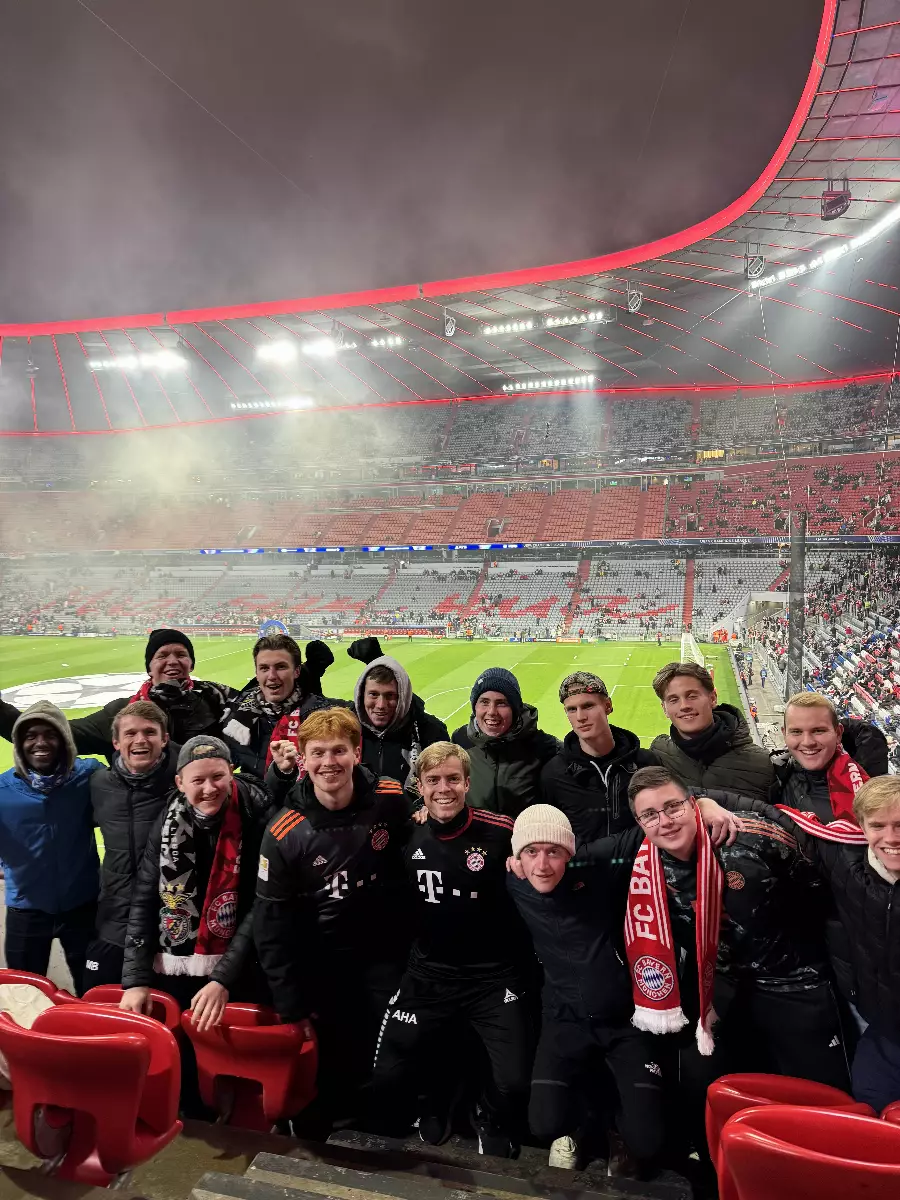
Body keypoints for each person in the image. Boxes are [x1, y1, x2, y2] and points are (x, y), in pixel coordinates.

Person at [609, 766, 849, 1165]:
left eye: (673, 807)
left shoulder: (752, 839)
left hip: (794, 982)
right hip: (722, 985)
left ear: (694, 804)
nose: (664, 821)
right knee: (703, 1085)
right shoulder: (646, 871)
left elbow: (818, 895)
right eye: (649, 815)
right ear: (639, 823)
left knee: (823, 1099)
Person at [371, 743, 534, 1157]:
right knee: (388, 1077)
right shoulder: (407, 832)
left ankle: (488, 1113)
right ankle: (435, 1100)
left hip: (493, 978)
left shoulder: (502, 831)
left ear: (467, 783)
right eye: (433, 780)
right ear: (420, 787)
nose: (443, 789)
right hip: (429, 976)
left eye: (452, 779)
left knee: (514, 1082)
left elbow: (544, 852)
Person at [254, 708, 412, 1134]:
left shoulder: (390, 798)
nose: (329, 762)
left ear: (357, 753)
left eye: (339, 751)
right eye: (318, 753)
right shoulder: (284, 833)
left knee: (386, 1048)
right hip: (321, 963)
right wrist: (289, 1002)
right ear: (302, 760)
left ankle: (384, 1122)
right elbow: (270, 924)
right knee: (332, 1058)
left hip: (383, 956)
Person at [507, 804, 665, 1176]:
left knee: (649, 1143)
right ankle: (579, 1128)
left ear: (569, 852)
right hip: (564, 1017)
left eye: (553, 852)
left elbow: (652, 822)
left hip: (623, 1019)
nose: (542, 865)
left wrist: (703, 804)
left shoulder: (596, 864)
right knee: (544, 1124)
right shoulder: (515, 880)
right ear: (517, 858)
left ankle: (616, 1131)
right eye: (531, 852)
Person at [121, 736, 274, 1026]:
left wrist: (222, 978)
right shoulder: (167, 820)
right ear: (180, 783)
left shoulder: (258, 814)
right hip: (178, 963)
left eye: (217, 777)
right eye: (198, 780)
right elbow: (144, 898)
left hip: (244, 966)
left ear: (231, 773)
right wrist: (135, 980)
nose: (209, 788)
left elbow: (262, 903)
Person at [0, 628, 233, 760]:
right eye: (162, 655)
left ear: (191, 664)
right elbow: (58, 735)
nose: (172, 661)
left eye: (181, 654)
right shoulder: (120, 712)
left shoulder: (216, 702)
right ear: (149, 668)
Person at [0, 702, 101, 994]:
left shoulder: (89, 776)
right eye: (30, 736)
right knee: (24, 995)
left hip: (83, 907)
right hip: (27, 911)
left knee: (94, 991)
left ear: (65, 740)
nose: (40, 742)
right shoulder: (3, 791)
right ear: (19, 743)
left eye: (50, 734)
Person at [84, 700, 180, 988]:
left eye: (150, 732)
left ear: (165, 739)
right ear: (116, 742)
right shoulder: (98, 784)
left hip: (171, 926)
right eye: (130, 733)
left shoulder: (187, 783)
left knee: (169, 1008)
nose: (140, 740)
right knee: (99, 1000)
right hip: (114, 921)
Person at [541, 672, 656, 841]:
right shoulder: (554, 774)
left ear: (608, 706)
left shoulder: (646, 764)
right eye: (571, 709)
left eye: (588, 706)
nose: (580, 717)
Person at [221, 632, 339, 779]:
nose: (272, 676)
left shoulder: (319, 715)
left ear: (296, 671)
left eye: (281, 667)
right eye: (264, 668)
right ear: (256, 673)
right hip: (257, 792)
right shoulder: (238, 714)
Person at [649, 662, 774, 801]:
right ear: (665, 709)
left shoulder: (762, 763)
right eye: (673, 700)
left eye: (692, 696)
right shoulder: (658, 756)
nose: (684, 706)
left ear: (713, 698)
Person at [452, 668, 559, 818]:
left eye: (501, 703)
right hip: (474, 833)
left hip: (525, 833)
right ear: (475, 706)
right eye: (484, 702)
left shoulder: (545, 747)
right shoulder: (460, 741)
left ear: (515, 709)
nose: (492, 712)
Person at [352, 655, 448, 789]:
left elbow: (443, 786)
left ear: (403, 696)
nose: (381, 705)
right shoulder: (346, 730)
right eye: (373, 694)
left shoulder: (431, 732)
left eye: (390, 695)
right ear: (361, 695)